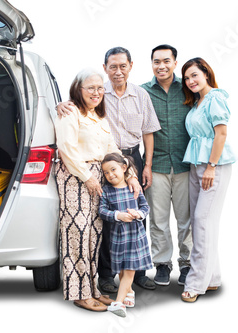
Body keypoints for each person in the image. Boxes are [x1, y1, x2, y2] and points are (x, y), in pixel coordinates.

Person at [57, 47, 160, 292]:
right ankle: (103, 278)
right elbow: (67, 144)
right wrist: (60, 104)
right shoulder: (88, 100)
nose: (118, 71)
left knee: (127, 219)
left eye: (123, 66)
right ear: (105, 69)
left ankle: (136, 273)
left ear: (131, 66)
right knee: (100, 224)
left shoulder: (135, 97)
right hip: (94, 169)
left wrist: (135, 171)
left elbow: (143, 133)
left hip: (125, 159)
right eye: (112, 66)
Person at [54, 68, 121, 312]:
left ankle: (92, 288)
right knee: (77, 235)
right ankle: (79, 293)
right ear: (78, 89)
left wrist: (128, 172)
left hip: (96, 177)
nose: (96, 92)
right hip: (76, 177)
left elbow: (112, 148)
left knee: (94, 236)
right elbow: (66, 148)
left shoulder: (98, 115)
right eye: (90, 88)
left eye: (100, 88)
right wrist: (88, 177)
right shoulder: (69, 111)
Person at [180, 58, 238, 302]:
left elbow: (221, 133)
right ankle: (212, 277)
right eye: (186, 78)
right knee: (201, 221)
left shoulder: (215, 98)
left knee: (202, 221)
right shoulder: (197, 101)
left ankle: (195, 283)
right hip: (195, 164)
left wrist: (212, 166)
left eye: (194, 75)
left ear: (206, 73)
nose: (191, 81)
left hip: (213, 166)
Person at [141, 44, 193, 286]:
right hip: (156, 165)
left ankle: (187, 264)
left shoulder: (188, 88)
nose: (161, 66)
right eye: (156, 61)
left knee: (187, 219)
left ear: (174, 63)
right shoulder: (143, 92)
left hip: (186, 164)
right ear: (151, 64)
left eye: (166, 61)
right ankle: (162, 264)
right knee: (158, 219)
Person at [99, 153, 152, 318]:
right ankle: (129, 292)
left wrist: (137, 214)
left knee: (129, 269)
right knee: (122, 269)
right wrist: (118, 215)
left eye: (113, 170)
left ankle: (119, 302)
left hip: (135, 236)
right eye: (106, 173)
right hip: (117, 237)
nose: (110, 175)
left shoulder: (133, 188)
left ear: (124, 168)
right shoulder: (107, 191)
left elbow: (145, 207)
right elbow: (102, 211)